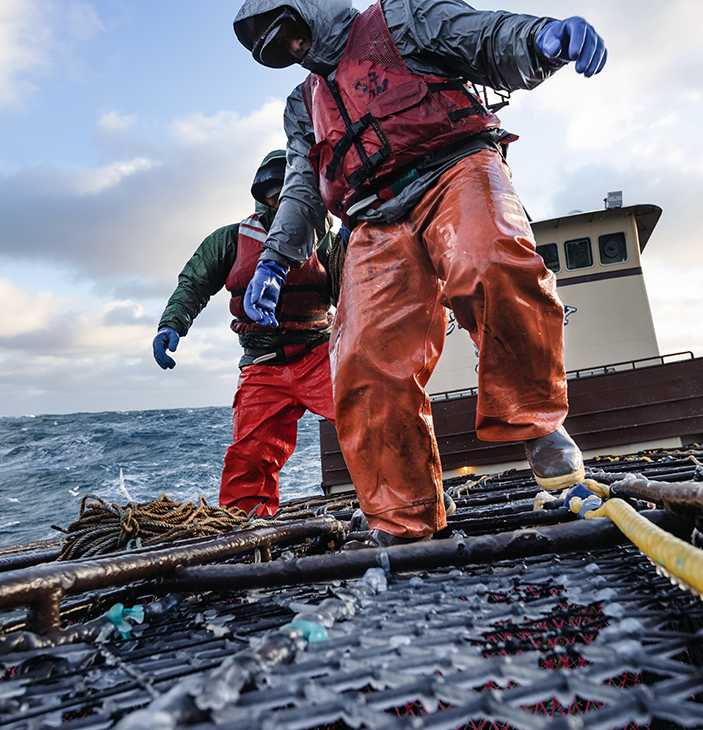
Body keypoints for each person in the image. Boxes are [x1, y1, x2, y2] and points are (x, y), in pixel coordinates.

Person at [232, 0, 606, 547]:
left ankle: (540, 427)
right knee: (360, 360)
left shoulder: (400, 18)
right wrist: (276, 257)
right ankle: (403, 517)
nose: (292, 50)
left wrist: (542, 38)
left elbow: (483, 36)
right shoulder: (301, 104)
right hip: (370, 217)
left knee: (491, 261)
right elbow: (303, 185)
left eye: (290, 31)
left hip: (455, 168)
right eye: (274, 50)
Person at [152, 149, 338, 518]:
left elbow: (355, 285)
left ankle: (401, 504)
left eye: (286, 187)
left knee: (371, 418)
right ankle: (248, 530)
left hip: (322, 354)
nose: (278, 197)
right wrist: (171, 323)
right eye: (271, 189)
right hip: (261, 363)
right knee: (249, 456)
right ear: (261, 193)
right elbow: (193, 283)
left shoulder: (325, 238)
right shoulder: (230, 239)